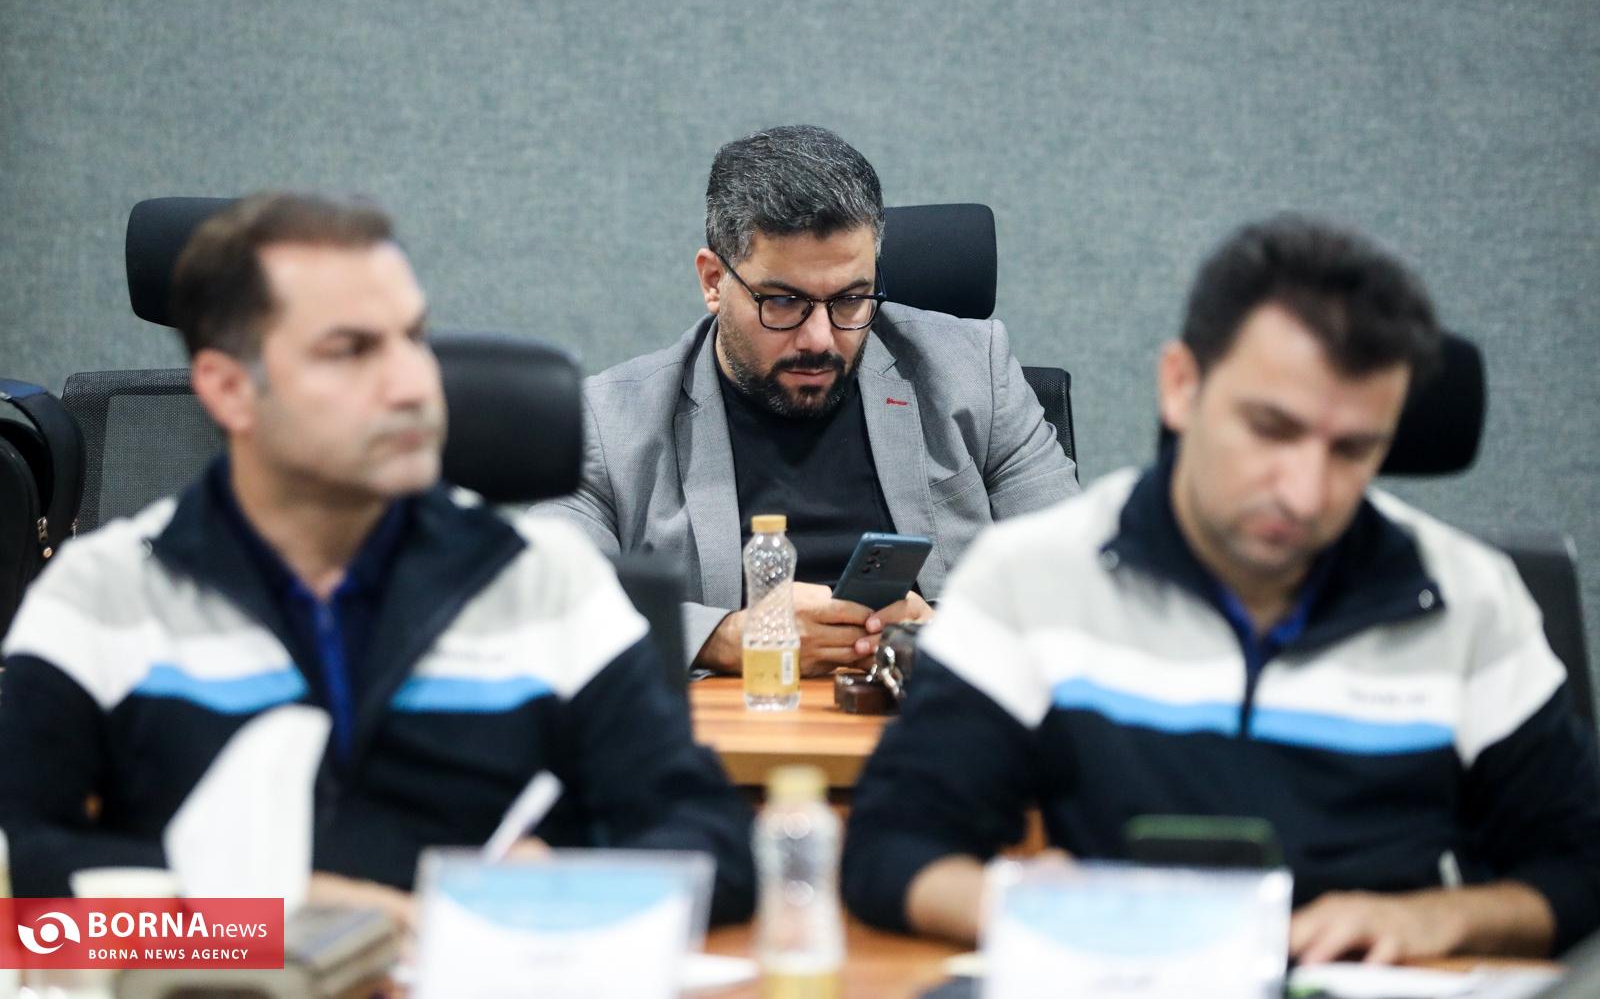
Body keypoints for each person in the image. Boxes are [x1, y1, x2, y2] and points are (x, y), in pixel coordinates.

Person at [842, 214, 1600, 960]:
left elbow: (1579, 866)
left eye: (1353, 450)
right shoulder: (1031, 576)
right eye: (1271, 429)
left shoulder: (1468, 596)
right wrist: (1036, 907)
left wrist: (1444, 919)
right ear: (1181, 385)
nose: (1304, 493)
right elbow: (890, 848)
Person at [0, 192, 755, 925]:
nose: (412, 384)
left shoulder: (542, 581)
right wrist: (287, 922)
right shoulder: (101, 594)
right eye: (351, 350)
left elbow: (715, 847)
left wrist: (560, 884)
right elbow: (24, 880)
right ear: (229, 390)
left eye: (413, 338)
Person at [536, 125, 1078, 675]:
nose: (820, 339)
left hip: (935, 710)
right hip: (736, 720)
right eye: (783, 301)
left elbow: (1079, 575)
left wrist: (950, 634)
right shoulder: (611, 421)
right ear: (714, 280)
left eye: (850, 299)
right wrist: (726, 637)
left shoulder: (972, 373)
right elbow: (548, 600)